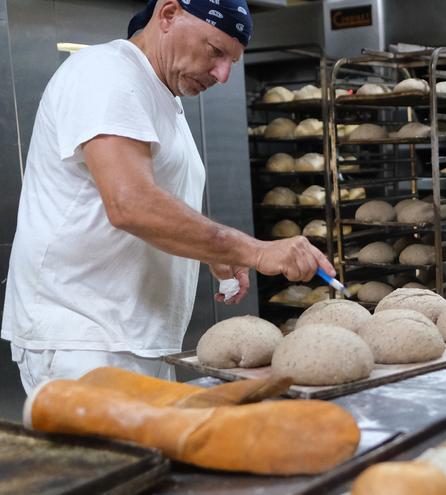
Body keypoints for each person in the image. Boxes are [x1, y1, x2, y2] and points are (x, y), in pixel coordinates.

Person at [1, 0, 334, 395]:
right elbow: (132, 204)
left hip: (133, 339)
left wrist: (211, 249)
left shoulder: (158, 94)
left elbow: (155, 199)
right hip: (86, 341)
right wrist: (255, 251)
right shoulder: (105, 74)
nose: (223, 74)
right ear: (169, 14)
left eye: (232, 60)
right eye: (215, 51)